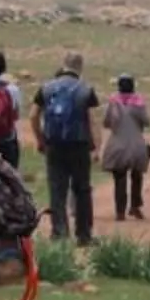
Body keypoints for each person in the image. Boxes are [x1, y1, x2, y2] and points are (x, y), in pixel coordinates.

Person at [32, 50, 100, 244]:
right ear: (80, 67)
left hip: (54, 145)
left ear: (63, 65)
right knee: (82, 190)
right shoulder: (86, 89)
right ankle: (84, 235)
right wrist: (96, 148)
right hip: (79, 145)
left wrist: (40, 139)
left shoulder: (46, 88)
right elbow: (92, 120)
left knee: (57, 189)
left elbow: (33, 115)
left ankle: (59, 233)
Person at [99, 74, 150, 222]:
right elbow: (147, 122)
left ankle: (120, 212)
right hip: (137, 145)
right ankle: (135, 206)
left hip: (117, 145)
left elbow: (105, 123)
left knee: (119, 179)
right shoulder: (139, 102)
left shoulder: (113, 102)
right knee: (137, 176)